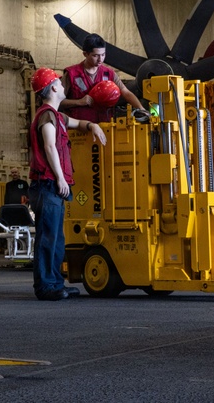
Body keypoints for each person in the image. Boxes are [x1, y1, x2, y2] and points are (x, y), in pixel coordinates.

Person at [29, 67, 107, 301]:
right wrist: (61, 178)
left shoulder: (57, 116)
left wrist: (92, 125)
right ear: (53, 87)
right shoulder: (47, 116)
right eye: (60, 83)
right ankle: (46, 287)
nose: (64, 86)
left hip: (53, 186)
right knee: (48, 238)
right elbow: (50, 146)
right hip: (48, 185)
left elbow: (78, 123)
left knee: (56, 238)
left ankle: (54, 283)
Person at [61, 33, 143, 123]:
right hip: (79, 132)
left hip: (105, 129)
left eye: (103, 55)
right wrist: (79, 102)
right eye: (95, 55)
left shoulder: (109, 74)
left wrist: (142, 109)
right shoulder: (71, 74)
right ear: (85, 54)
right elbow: (56, 102)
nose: (100, 59)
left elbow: (126, 93)